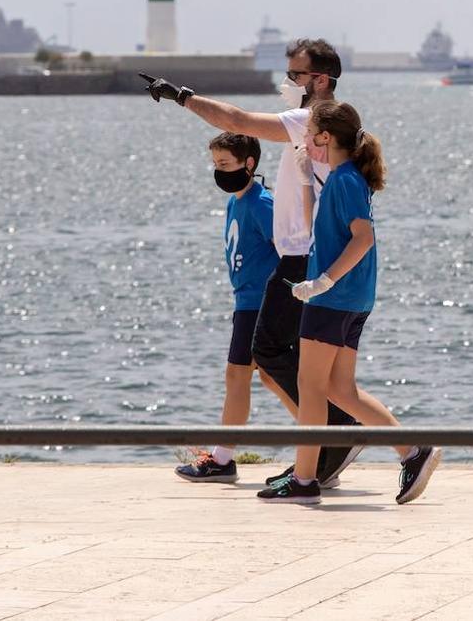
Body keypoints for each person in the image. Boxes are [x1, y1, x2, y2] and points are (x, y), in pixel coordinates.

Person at [141, 39, 359, 486]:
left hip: (303, 261)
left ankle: (340, 439)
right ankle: (331, 445)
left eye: (295, 74)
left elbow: (238, 121)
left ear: (319, 79)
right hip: (304, 260)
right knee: (309, 369)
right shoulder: (313, 124)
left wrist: (182, 96)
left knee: (277, 356)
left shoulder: (310, 121)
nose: (288, 81)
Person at [257, 99, 441, 504]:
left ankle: (305, 480)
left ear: (324, 137)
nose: (304, 143)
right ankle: (413, 451)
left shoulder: (345, 180)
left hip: (335, 297)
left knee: (310, 387)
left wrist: (323, 281)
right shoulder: (339, 177)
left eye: (309, 137)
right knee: (341, 390)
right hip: (350, 297)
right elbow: (314, 228)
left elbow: (363, 237)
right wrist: (305, 180)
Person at [175, 133, 279, 481]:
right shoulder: (237, 201)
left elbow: (291, 252)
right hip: (245, 301)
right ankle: (328, 439)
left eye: (225, 164)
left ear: (249, 164)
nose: (218, 171)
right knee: (267, 376)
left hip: (259, 303)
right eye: (215, 164)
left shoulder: (262, 204)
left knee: (241, 376)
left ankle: (222, 459)